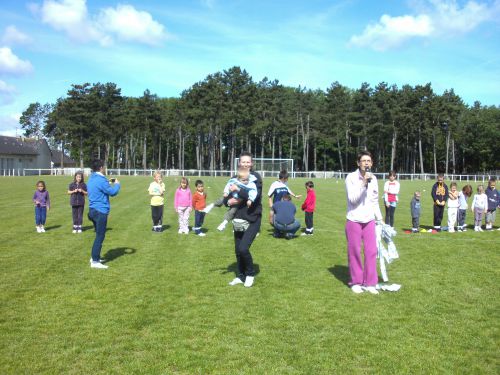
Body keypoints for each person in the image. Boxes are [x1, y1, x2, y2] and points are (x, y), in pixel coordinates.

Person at [345, 151, 383, 295]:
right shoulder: (351, 178)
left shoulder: (374, 178)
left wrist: (379, 218)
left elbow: (374, 200)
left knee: (371, 251)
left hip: (369, 219)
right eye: (363, 160)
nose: (366, 163)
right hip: (354, 219)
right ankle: (356, 281)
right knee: (354, 251)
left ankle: (370, 283)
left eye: (369, 160)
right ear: (358, 163)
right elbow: (352, 199)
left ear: (371, 163)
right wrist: (363, 184)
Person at [225, 151, 262, 288]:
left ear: (251, 163)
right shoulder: (236, 177)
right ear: (239, 163)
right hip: (238, 219)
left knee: (243, 248)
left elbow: (254, 196)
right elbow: (227, 195)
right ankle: (240, 276)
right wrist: (228, 201)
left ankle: (250, 274)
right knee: (237, 250)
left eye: (248, 162)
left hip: (253, 219)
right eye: (243, 162)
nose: (245, 164)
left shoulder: (256, 177)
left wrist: (238, 191)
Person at [87, 159, 120, 269]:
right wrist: (117, 185)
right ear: (101, 167)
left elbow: (99, 187)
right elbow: (113, 192)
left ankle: (94, 256)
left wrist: (108, 182)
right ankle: (95, 262)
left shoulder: (92, 178)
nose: (105, 168)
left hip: (92, 211)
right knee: (100, 236)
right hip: (100, 212)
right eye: (104, 166)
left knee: (98, 235)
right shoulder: (102, 180)